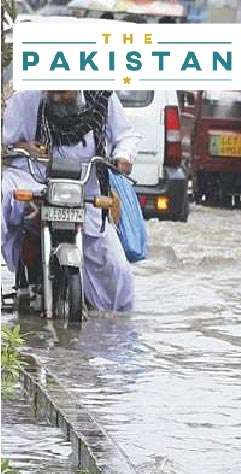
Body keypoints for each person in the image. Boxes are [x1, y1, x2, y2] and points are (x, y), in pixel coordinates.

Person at [2, 90, 141, 311]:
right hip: (33, 179)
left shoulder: (102, 98)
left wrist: (123, 156)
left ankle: (112, 334)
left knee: (117, 272)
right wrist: (22, 147)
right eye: (52, 91)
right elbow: (8, 144)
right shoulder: (25, 98)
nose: (56, 97)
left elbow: (126, 136)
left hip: (85, 188)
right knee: (4, 196)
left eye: (63, 91)